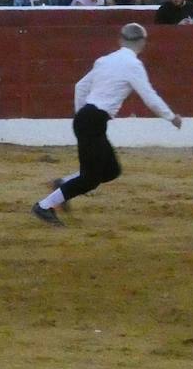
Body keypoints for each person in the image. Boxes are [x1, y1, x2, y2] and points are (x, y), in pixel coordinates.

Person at [31, 22, 181, 224]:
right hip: (93, 120)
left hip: (88, 118)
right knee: (90, 179)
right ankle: (44, 206)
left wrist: (81, 114)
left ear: (120, 40)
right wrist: (171, 116)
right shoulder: (133, 65)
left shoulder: (104, 60)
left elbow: (80, 86)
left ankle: (64, 183)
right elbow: (149, 96)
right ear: (142, 42)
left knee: (111, 170)